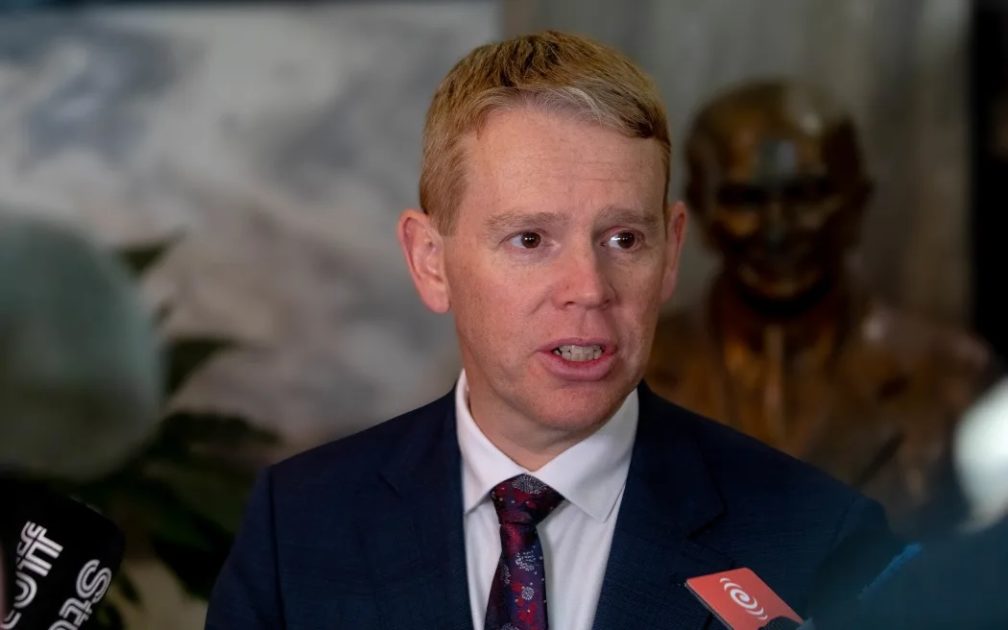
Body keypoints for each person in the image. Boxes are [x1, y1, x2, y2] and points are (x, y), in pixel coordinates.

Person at [205, 32, 889, 630]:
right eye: (530, 239)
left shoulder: (817, 538)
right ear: (431, 262)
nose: (589, 289)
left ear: (672, 251)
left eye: (623, 238)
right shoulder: (297, 525)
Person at [646, 80, 998, 533]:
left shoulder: (954, 380)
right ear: (700, 214)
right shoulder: (642, 372)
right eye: (746, 200)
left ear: (856, 203)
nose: (778, 230)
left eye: (805, 196)